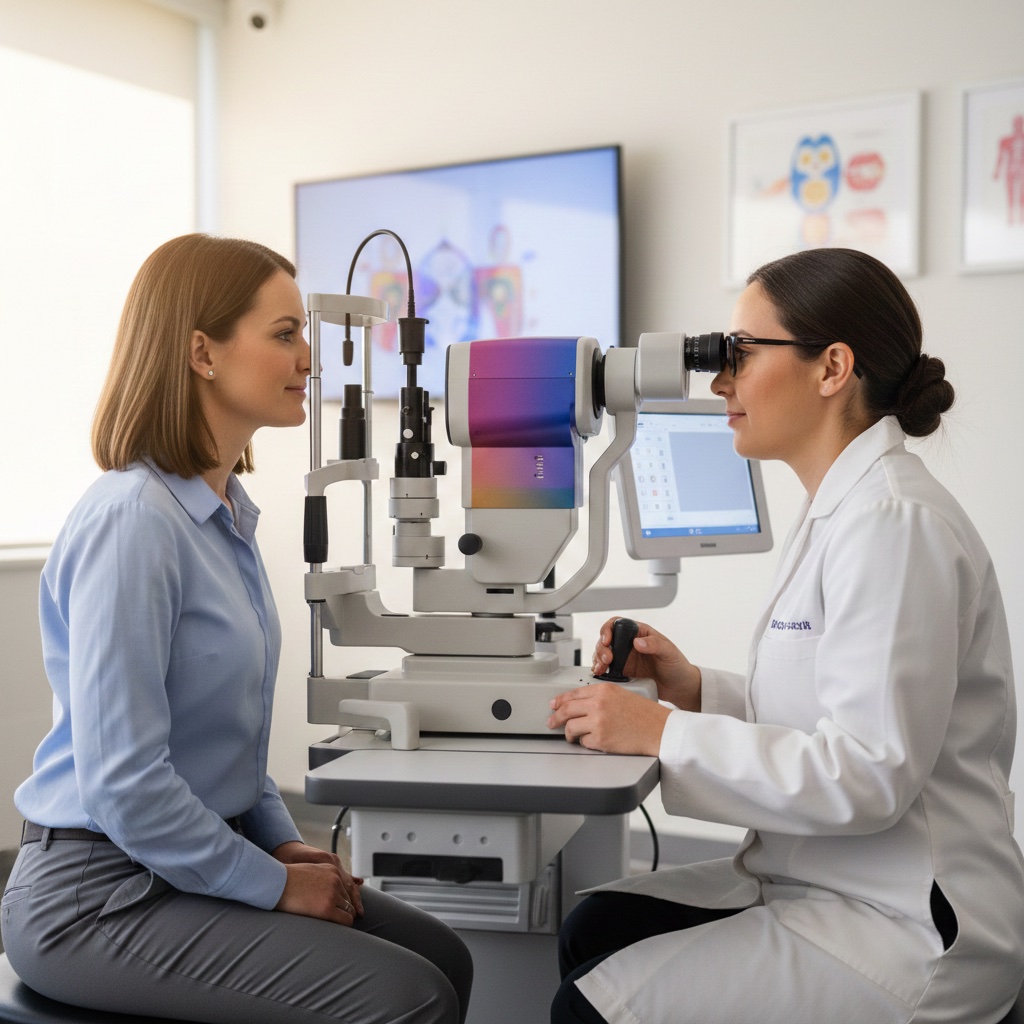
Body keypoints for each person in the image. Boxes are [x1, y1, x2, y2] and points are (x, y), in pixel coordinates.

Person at [1, 234, 473, 1024]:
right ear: (202, 353)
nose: (308, 361)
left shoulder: (223, 516)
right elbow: (124, 784)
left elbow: (232, 742)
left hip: (186, 858)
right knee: (407, 998)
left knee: (444, 957)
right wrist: (274, 885)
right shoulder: (134, 522)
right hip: (96, 895)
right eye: (285, 335)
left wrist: (281, 843)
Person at [546, 247, 1024, 1024]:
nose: (719, 381)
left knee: (589, 1009)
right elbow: (833, 710)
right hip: (831, 877)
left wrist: (661, 732)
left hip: (904, 924)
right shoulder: (846, 507)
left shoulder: (892, 524)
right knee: (594, 928)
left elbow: (867, 774)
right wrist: (697, 691)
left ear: (832, 367)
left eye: (739, 352)